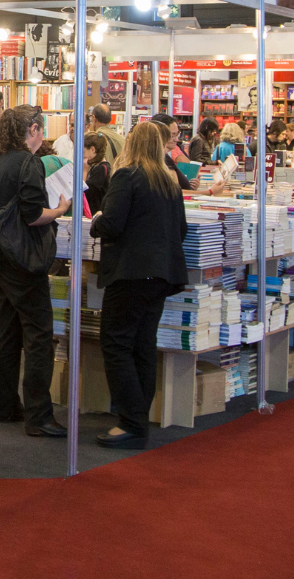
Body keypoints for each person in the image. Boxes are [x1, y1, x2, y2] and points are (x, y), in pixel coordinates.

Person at [90, 122, 188, 450]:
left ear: (130, 144)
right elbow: (182, 229)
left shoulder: (127, 175)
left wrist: (97, 218)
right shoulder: (169, 181)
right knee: (144, 345)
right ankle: (138, 417)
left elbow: (113, 223)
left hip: (130, 272)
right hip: (162, 275)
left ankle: (132, 422)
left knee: (116, 343)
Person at [0, 104, 70, 437]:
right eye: (41, 128)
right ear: (33, 129)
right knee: (38, 334)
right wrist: (60, 209)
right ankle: (39, 415)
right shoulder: (29, 163)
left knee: (7, 331)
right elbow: (34, 215)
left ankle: (5, 405)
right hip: (24, 257)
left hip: (0, 254)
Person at [149, 113, 194, 190]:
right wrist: (209, 192)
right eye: (172, 135)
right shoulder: (162, 160)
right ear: (161, 134)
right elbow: (175, 191)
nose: (176, 139)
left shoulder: (164, 158)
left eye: (177, 135)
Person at [80, 134, 112, 215]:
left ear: (93, 150)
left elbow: (84, 193)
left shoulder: (101, 169)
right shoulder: (98, 167)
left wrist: (84, 171)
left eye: (83, 152)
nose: (82, 155)